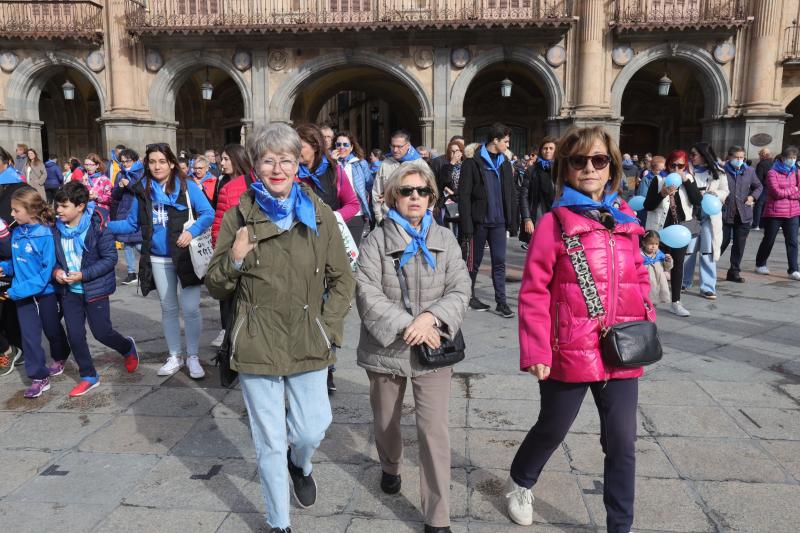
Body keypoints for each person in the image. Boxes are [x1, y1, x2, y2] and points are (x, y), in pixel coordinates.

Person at [205, 123, 355, 533]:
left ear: (297, 164)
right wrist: (234, 258)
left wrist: (327, 327)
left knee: (311, 429)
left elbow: (344, 278)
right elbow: (215, 284)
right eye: (268, 160)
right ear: (255, 166)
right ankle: (278, 522)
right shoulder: (239, 215)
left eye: (285, 160)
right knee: (269, 440)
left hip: (308, 337)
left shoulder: (319, 212)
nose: (277, 168)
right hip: (257, 341)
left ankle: (300, 463)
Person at [505, 126, 652, 533]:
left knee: (622, 442)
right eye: (579, 160)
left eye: (599, 160)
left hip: (621, 348)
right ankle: (521, 479)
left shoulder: (625, 221)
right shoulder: (555, 222)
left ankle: (619, 526)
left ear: (612, 168)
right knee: (553, 427)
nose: (589, 167)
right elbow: (534, 291)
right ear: (565, 169)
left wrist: (646, 319)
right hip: (568, 346)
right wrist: (536, 351)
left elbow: (639, 275)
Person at [355, 161, 469, 533]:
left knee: (433, 430)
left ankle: (438, 517)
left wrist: (432, 319)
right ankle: (390, 465)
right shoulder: (375, 241)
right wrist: (410, 324)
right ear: (393, 197)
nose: (415, 197)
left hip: (434, 349)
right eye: (407, 191)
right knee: (386, 421)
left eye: (422, 191)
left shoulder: (446, 239)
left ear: (432, 197)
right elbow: (366, 292)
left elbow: (461, 287)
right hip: (386, 348)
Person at [108, 143, 214, 379]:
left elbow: (208, 213)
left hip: (186, 256)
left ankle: (193, 355)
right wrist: (105, 226)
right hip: (158, 257)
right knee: (168, 308)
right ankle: (175, 355)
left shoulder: (187, 187)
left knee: (190, 308)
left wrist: (192, 231)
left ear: (172, 164)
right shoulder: (143, 190)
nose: (157, 166)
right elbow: (131, 224)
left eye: (162, 161)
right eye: (152, 162)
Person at [51, 181, 139, 397]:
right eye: (57, 206)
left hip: (95, 289)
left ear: (80, 206)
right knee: (75, 334)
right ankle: (89, 375)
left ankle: (127, 347)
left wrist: (83, 275)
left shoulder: (99, 225)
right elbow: (53, 260)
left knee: (102, 333)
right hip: (69, 292)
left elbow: (110, 259)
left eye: (64, 206)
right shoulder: (55, 230)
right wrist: (57, 273)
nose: (58, 211)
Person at [0, 186, 69, 398]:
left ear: (31, 211)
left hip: (44, 295)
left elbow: (44, 274)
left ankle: (61, 355)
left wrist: (15, 291)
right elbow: (17, 263)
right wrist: (5, 268)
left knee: (52, 331)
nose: (11, 214)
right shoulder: (17, 233)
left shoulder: (45, 235)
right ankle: (39, 377)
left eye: (15, 210)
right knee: (30, 338)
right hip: (23, 298)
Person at [458, 122, 518, 318]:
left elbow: (511, 193)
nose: (508, 146)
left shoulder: (505, 163)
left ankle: (501, 302)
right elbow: (464, 196)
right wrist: (466, 225)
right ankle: (468, 296)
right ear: (496, 140)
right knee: (473, 264)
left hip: (499, 223)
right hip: (479, 222)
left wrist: (513, 221)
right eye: (506, 142)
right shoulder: (472, 162)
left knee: (499, 262)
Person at [643, 149, 701, 317]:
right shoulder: (659, 180)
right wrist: (662, 194)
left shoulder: (689, 179)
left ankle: (675, 301)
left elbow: (698, 201)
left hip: (680, 231)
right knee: (652, 264)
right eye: (673, 165)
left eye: (680, 166)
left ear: (685, 166)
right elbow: (648, 205)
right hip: (659, 229)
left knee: (677, 265)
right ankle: (648, 300)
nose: (676, 169)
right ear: (667, 165)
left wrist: (687, 182)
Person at [209, 144, 252, 349]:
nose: (222, 163)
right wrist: (219, 246)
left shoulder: (249, 183)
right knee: (227, 294)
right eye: (221, 159)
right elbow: (218, 220)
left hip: (247, 247)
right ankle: (227, 330)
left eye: (226, 159)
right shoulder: (223, 183)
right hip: (231, 248)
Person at [682, 142, 729, 299]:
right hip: (691, 215)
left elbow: (725, 191)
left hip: (709, 217)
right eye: (691, 154)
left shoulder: (719, 172)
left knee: (708, 251)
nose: (691, 157)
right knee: (688, 250)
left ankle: (708, 286)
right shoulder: (686, 170)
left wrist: (715, 195)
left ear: (703, 155)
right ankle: (683, 281)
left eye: (694, 154)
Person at [295, 124, 360, 224]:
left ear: (315, 146)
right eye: (293, 147)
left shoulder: (334, 170)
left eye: (300, 147)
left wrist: (331, 218)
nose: (295, 151)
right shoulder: (290, 173)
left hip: (329, 233)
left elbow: (352, 204)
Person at [754, 146, 800, 280]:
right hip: (775, 213)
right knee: (769, 239)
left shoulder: (796, 172)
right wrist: (793, 190)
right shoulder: (772, 172)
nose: (792, 160)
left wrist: (792, 192)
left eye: (794, 158)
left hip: (793, 212)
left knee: (792, 241)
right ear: (783, 158)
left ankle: (793, 270)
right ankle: (760, 264)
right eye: (790, 158)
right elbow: (776, 193)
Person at [720, 145, 763, 283]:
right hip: (725, 213)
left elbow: (759, 186)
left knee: (739, 244)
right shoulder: (721, 171)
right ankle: (708, 266)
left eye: (741, 157)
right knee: (721, 243)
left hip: (743, 213)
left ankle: (734, 271)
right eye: (736, 157)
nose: (739, 160)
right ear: (729, 157)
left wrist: (752, 197)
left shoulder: (750, 170)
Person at [0, 147, 26, 376]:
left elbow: (28, 221)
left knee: (9, 308)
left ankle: (11, 349)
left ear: (7, 161)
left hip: (10, 256)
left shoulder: (19, 187)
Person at [372, 130, 422, 224]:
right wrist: (379, 217)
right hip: (388, 218)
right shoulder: (385, 164)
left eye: (399, 147)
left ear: (408, 145)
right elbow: (376, 192)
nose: (395, 150)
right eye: (393, 146)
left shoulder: (419, 164)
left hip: (413, 219)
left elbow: (429, 191)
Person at [332, 131, 372, 245]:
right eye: (338, 144)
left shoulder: (360, 163)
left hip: (356, 213)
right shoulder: (329, 163)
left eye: (345, 144)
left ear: (351, 147)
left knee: (353, 249)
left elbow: (370, 185)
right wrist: (332, 162)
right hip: (336, 212)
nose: (341, 147)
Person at [112, 149, 145, 285]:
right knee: (127, 244)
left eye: (128, 161)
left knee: (138, 244)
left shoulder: (141, 173)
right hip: (124, 211)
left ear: (135, 160)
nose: (125, 164)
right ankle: (131, 273)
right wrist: (119, 188)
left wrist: (129, 185)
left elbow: (143, 192)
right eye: (123, 161)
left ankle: (148, 269)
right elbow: (115, 196)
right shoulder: (120, 174)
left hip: (137, 210)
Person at [519, 136, 556, 247]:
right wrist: (527, 219)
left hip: (557, 217)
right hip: (538, 217)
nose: (547, 151)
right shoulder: (532, 170)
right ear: (541, 150)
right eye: (545, 148)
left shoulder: (562, 170)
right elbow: (524, 196)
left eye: (551, 148)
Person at [436, 139, 464, 234]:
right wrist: (452, 163)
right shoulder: (446, 167)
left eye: (457, 150)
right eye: (452, 151)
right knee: (450, 232)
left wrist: (455, 192)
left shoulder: (466, 166)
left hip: (463, 201)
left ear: (462, 152)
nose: (454, 153)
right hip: (449, 203)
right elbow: (445, 181)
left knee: (462, 232)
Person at [641, 230, 673, 305]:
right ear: (644, 243)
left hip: (659, 283)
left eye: (656, 244)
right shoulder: (640, 255)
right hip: (646, 282)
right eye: (651, 244)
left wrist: (668, 260)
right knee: (645, 301)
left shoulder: (659, 254)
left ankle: (651, 312)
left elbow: (667, 268)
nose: (654, 246)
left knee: (654, 301)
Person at [753, 148, 773, 230]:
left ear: (762, 155)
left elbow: (758, 178)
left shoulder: (761, 164)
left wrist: (754, 188)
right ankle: (762, 224)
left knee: (758, 206)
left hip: (763, 187)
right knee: (765, 206)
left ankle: (756, 224)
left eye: (760, 154)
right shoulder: (773, 163)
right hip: (771, 188)